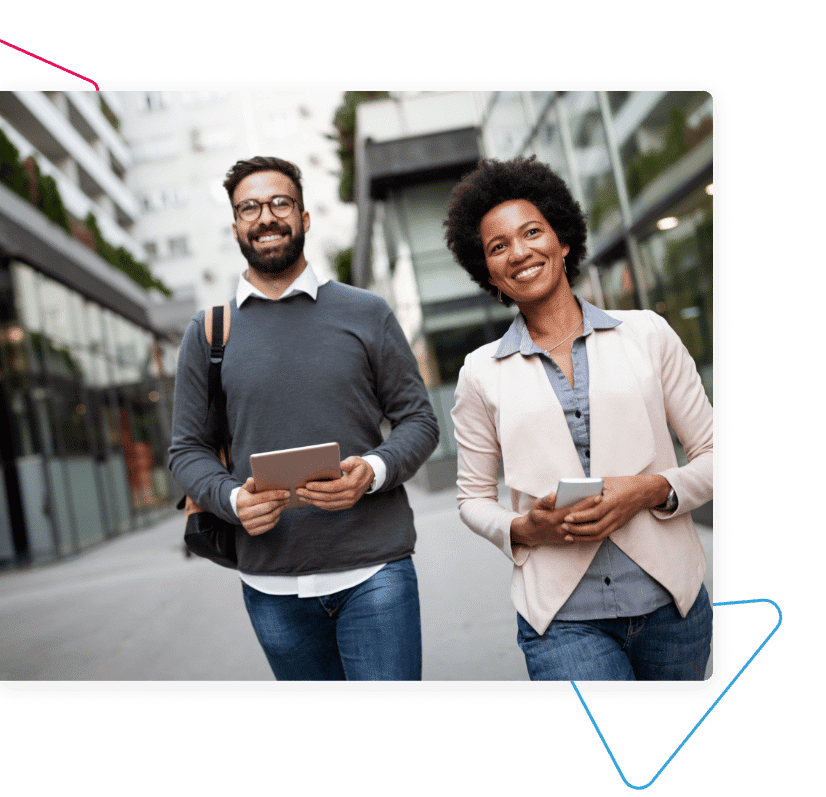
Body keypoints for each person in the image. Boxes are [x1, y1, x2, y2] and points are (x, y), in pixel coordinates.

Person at [169, 156, 439, 681]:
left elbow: (419, 421)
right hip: (271, 587)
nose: (265, 217)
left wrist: (374, 472)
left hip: (376, 572)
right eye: (249, 207)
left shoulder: (366, 313)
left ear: (304, 217)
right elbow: (186, 449)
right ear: (235, 226)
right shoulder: (208, 334)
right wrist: (231, 500)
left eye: (279, 203)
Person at [445, 156, 713, 681]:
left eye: (531, 232)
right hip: (563, 618)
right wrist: (522, 528)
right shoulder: (479, 373)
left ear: (563, 240)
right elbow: (472, 500)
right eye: (498, 247)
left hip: (672, 604)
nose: (519, 252)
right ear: (489, 271)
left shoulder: (648, 334)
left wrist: (647, 489)